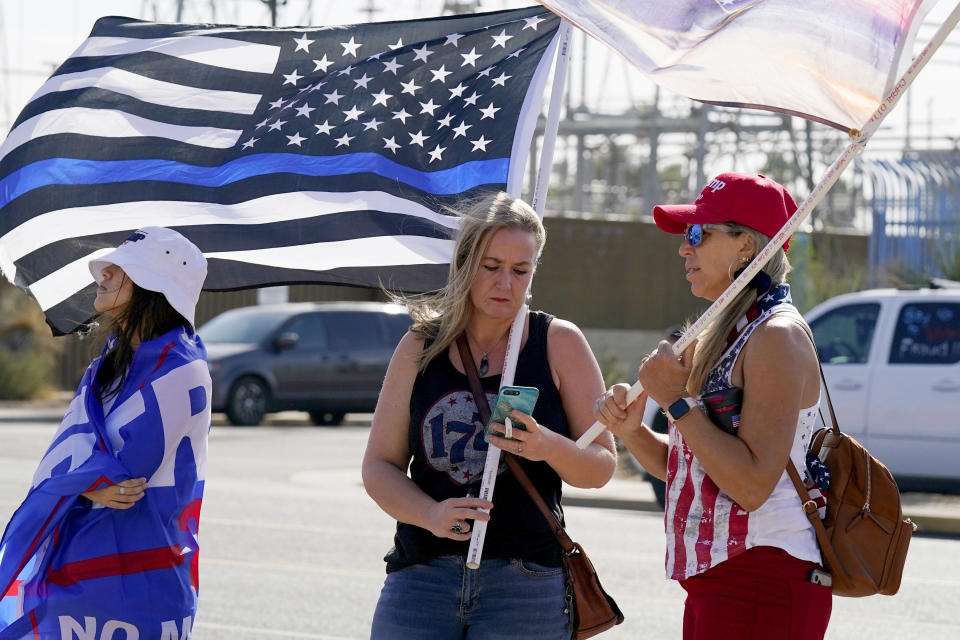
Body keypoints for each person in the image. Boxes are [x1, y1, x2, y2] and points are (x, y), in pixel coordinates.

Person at [362, 192, 617, 639]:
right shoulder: (421, 345)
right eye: (491, 266)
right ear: (465, 263)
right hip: (422, 575)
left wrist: (546, 445)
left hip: (526, 584)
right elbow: (379, 466)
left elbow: (600, 466)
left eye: (521, 271)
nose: (506, 284)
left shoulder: (559, 342)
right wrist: (430, 513)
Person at [594, 173, 831, 640]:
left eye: (698, 234)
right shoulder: (727, 331)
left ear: (747, 245)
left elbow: (751, 485)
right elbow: (692, 470)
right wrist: (631, 432)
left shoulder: (775, 336)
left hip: (763, 573)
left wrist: (676, 401)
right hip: (723, 578)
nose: (685, 248)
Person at [0, 227, 210, 639]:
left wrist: (80, 482)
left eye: (121, 268)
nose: (104, 273)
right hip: (73, 566)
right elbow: (73, 457)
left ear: (156, 288)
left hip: (139, 581)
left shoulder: (184, 369)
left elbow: (127, 476)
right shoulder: (106, 368)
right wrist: (85, 483)